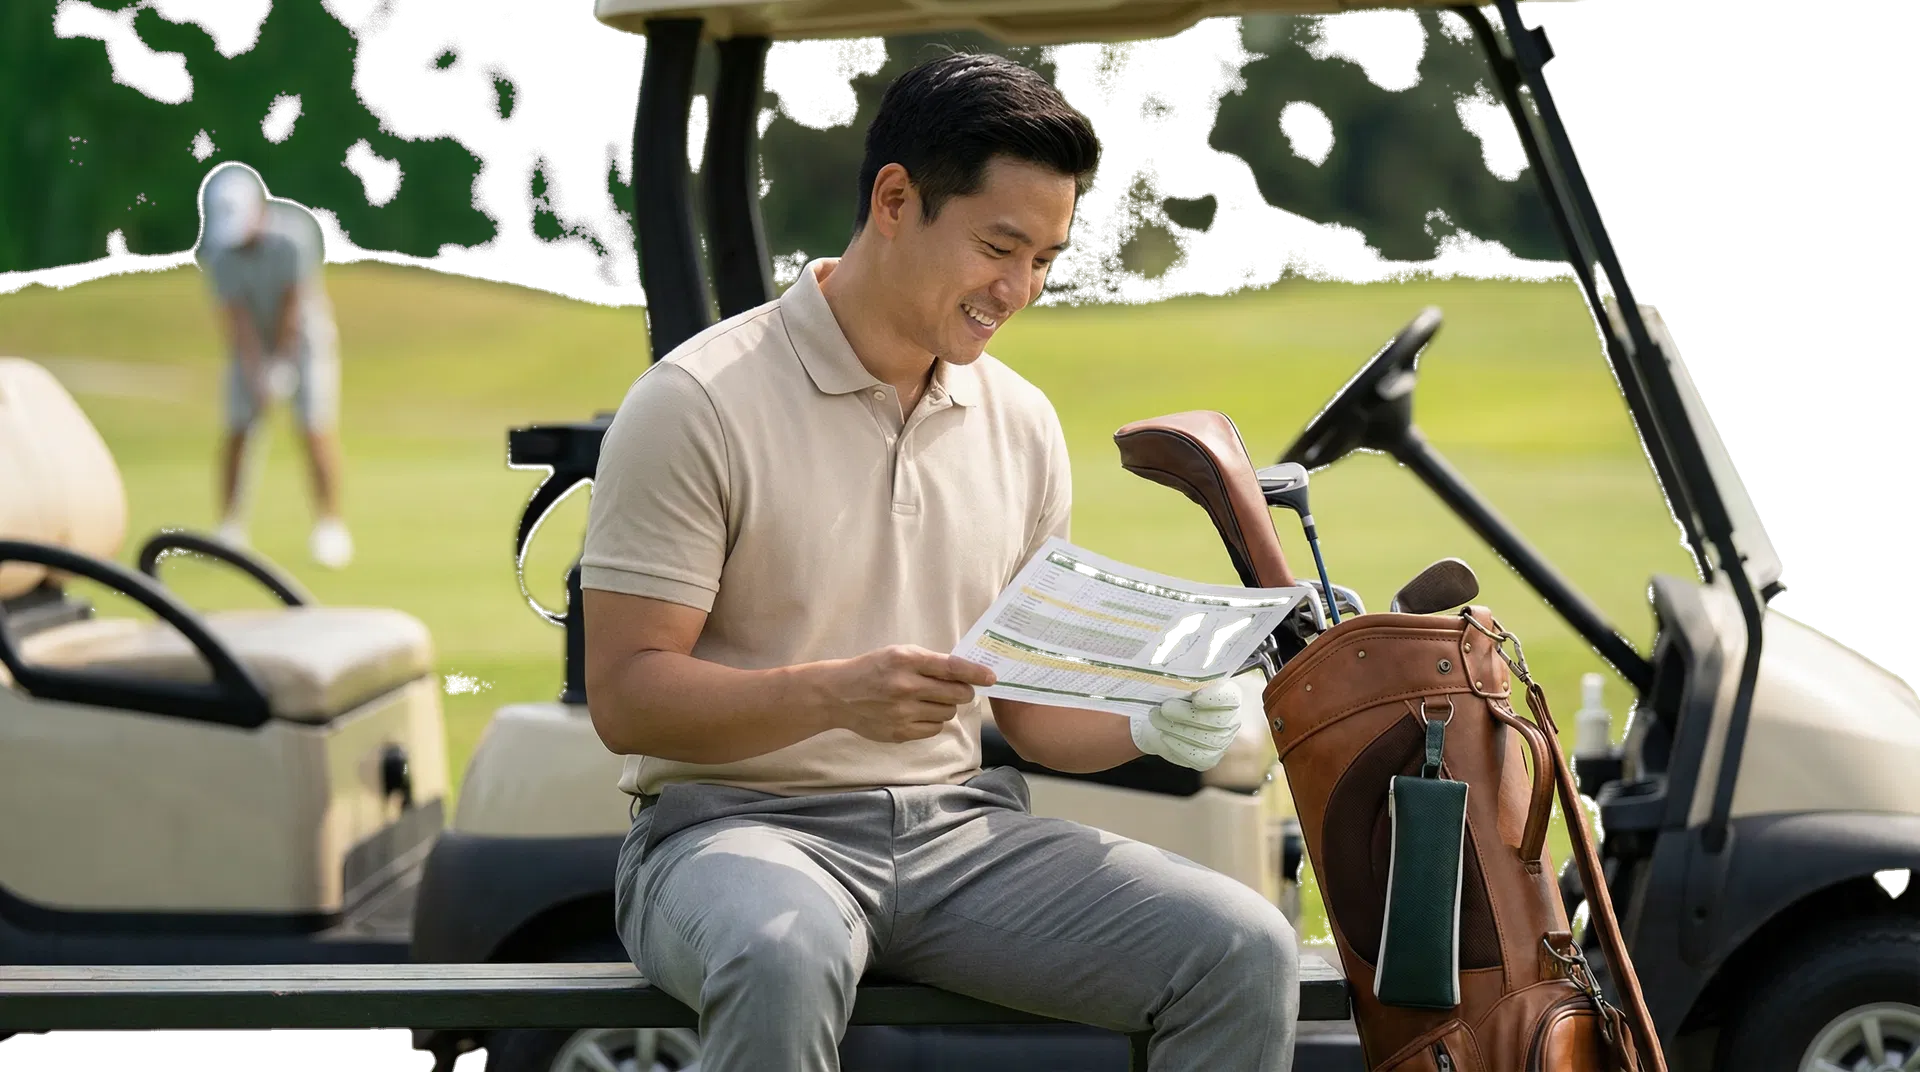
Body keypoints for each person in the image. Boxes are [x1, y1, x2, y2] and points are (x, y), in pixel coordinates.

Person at [579, 49, 1300, 1072]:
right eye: (998, 247)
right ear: (894, 200)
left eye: (1043, 260)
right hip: (725, 835)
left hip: (957, 835)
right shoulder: (696, 402)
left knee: (1244, 949)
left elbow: (1031, 713)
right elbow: (626, 698)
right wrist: (835, 695)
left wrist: (1148, 720)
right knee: (783, 953)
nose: (1018, 289)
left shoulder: (1023, 423)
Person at [196, 162, 352, 569]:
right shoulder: (217, 251)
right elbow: (236, 318)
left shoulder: (295, 234)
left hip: (306, 339)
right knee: (238, 429)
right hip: (251, 344)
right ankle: (229, 528)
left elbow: (293, 304)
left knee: (314, 426)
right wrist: (256, 370)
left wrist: (281, 365)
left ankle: (330, 526)